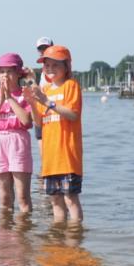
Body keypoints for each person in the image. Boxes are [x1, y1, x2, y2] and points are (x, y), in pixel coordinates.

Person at [24, 45, 83, 223]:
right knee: (55, 201)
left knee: (70, 199)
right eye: (47, 66)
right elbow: (39, 122)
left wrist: (47, 102)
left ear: (66, 67)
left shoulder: (70, 86)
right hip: (50, 159)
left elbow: (73, 114)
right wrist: (33, 103)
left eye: (55, 65)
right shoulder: (46, 91)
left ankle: (74, 238)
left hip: (67, 156)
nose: (50, 69)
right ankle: (58, 240)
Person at [0, 53, 33, 214]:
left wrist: (10, 98)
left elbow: (26, 121)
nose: (5, 75)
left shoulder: (25, 94)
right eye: (2, 71)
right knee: (5, 198)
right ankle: (5, 235)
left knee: (22, 197)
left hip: (18, 141)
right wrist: (1, 101)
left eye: (9, 71)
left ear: (18, 74)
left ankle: (23, 234)